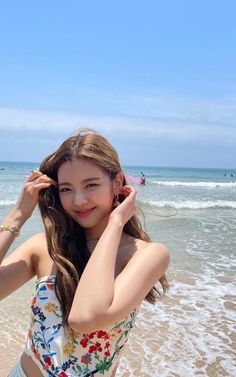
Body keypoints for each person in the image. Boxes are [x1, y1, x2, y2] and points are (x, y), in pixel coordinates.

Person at [0, 128, 169, 377]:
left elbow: (85, 318)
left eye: (91, 185)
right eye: (66, 189)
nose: (78, 200)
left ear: (118, 183)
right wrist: (17, 215)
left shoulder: (146, 255)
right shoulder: (46, 246)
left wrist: (116, 222)